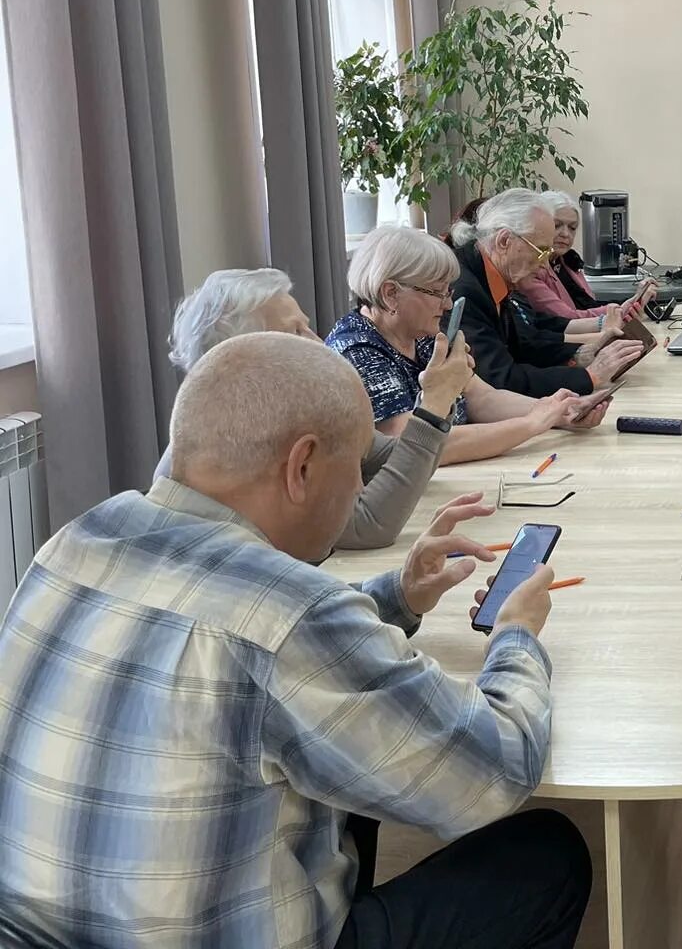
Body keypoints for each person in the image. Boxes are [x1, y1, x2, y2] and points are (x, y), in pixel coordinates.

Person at [0, 333, 590, 949]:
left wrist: (397, 594)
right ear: (302, 466)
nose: (361, 491)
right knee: (547, 855)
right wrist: (515, 637)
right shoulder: (293, 614)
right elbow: (495, 771)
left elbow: (224, 623)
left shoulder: (76, 539)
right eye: (360, 466)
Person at [163, 266, 472, 549]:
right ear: (244, 354)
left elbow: (395, 459)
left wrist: (436, 401)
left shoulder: (290, 405)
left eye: (307, 327)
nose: (318, 341)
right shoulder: (235, 431)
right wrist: (433, 406)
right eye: (296, 332)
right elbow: (368, 526)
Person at [328, 225, 612, 465]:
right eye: (438, 292)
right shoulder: (358, 350)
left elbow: (481, 398)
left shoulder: (422, 335)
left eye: (448, 291)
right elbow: (412, 444)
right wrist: (531, 424)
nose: (449, 303)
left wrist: (558, 411)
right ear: (390, 293)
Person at [449, 189, 644, 397]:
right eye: (541, 251)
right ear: (504, 241)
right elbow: (499, 379)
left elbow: (526, 343)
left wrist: (580, 354)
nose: (544, 264)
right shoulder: (462, 291)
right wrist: (589, 377)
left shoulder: (494, 272)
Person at [515, 190, 658, 322]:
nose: (566, 234)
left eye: (572, 228)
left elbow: (589, 306)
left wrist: (634, 301)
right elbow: (568, 319)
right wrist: (624, 308)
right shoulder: (530, 270)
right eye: (557, 225)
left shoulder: (567, 262)